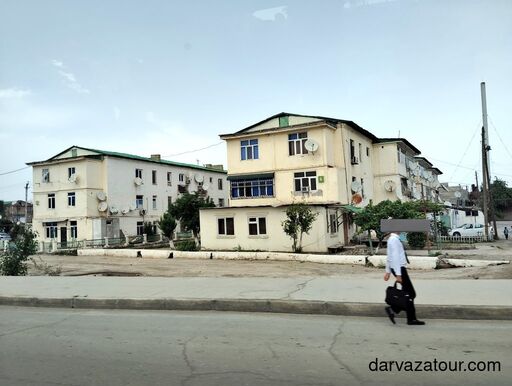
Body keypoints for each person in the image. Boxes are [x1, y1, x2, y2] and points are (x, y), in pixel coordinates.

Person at [384, 232, 425, 325]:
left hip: (397, 268)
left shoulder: (392, 239)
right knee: (410, 294)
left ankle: (394, 310)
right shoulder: (394, 240)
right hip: (399, 269)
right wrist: (398, 275)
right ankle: (411, 319)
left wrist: (388, 271)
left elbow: (389, 257)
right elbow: (394, 258)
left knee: (407, 294)